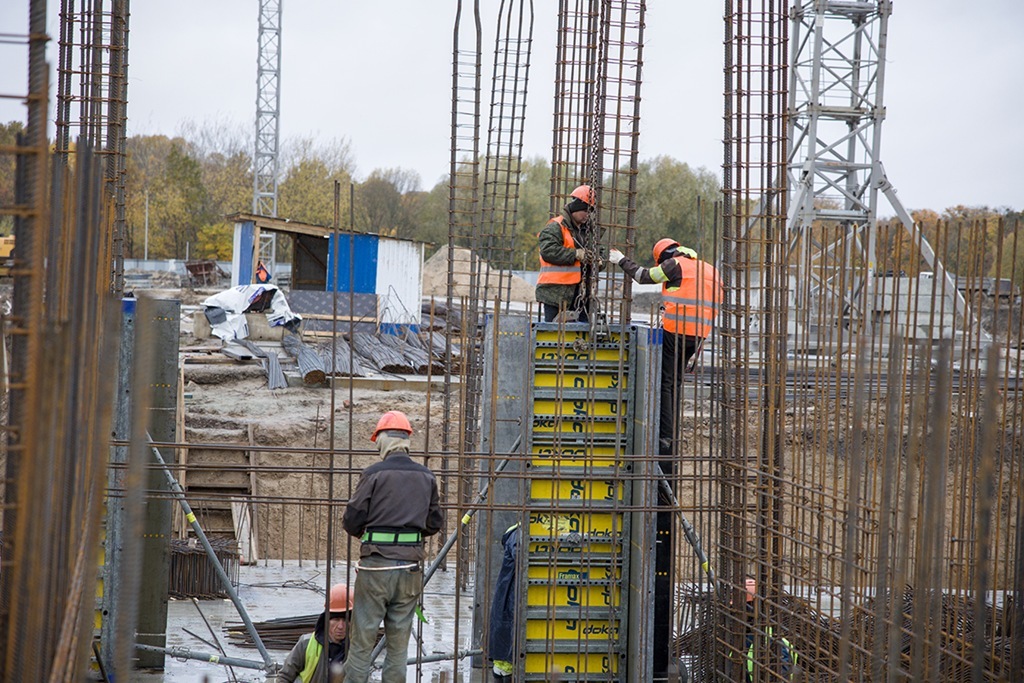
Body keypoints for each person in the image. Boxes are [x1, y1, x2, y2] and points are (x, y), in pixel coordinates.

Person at [341, 410, 445, 683]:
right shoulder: (426, 476)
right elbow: (435, 522)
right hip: (410, 569)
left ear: (383, 440)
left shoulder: (373, 474)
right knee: (398, 646)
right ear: (406, 440)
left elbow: (352, 519)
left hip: (376, 567)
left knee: (362, 641)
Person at [607, 239, 722, 456]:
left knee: (665, 381)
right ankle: (671, 431)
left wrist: (621, 260)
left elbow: (643, 276)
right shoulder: (710, 269)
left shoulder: (674, 264)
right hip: (698, 334)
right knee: (676, 381)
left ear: (664, 256)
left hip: (675, 331)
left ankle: (665, 437)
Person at [535, 184, 602, 323]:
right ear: (575, 209)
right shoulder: (556, 226)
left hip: (582, 294)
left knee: (581, 336)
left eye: (591, 212)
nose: (588, 215)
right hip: (556, 293)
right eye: (585, 211)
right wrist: (575, 254)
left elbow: (601, 252)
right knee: (554, 335)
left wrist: (599, 261)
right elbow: (548, 250)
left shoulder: (588, 231)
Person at [279, 583, 353, 683]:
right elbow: (284, 677)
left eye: (345, 620)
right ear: (326, 620)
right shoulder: (306, 644)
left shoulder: (357, 649)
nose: (340, 626)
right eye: (336, 619)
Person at [487, 523, 520, 682]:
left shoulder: (516, 532)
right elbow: (520, 555)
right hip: (511, 598)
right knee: (506, 656)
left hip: (510, 598)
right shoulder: (518, 533)